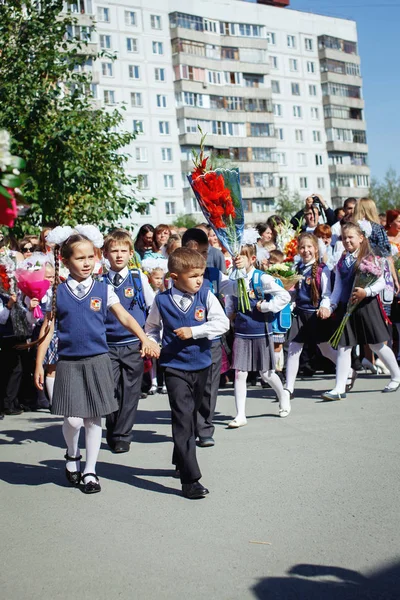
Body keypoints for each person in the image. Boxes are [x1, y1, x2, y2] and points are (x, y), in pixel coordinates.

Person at [34, 226, 159, 494]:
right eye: (80, 258)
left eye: (91, 257)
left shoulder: (103, 289)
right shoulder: (57, 292)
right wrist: (39, 364)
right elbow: (47, 330)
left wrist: (144, 338)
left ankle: (90, 471)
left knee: (93, 420)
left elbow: (125, 317)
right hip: (69, 363)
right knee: (73, 420)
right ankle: (71, 454)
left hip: (98, 360)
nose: (87, 263)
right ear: (66, 261)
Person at [145, 247, 229, 499]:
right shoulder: (161, 301)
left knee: (191, 417)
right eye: (193, 276)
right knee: (182, 418)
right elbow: (151, 327)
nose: (199, 280)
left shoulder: (206, 295)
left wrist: (196, 331)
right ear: (174, 276)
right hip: (174, 367)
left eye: (201, 275)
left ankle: (179, 457)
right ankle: (190, 479)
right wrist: (151, 343)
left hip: (201, 364)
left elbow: (222, 323)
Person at [321, 222, 400, 400]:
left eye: (351, 237)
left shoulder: (369, 257)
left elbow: (381, 282)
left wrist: (367, 292)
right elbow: (338, 287)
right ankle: (339, 388)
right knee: (344, 347)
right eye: (344, 237)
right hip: (348, 308)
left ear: (361, 238)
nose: (347, 241)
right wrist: (331, 305)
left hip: (366, 305)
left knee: (376, 344)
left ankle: (396, 376)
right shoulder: (343, 260)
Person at [181, 228, 244, 447]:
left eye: (206, 252)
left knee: (209, 388)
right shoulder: (177, 278)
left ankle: (205, 428)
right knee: (188, 390)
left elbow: (236, 288)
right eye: (199, 252)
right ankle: (187, 426)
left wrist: (240, 271)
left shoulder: (214, 275)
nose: (204, 257)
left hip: (212, 341)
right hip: (185, 343)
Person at [225, 243, 292, 427]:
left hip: (260, 329)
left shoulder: (261, 278)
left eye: (242, 256)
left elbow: (284, 296)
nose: (237, 259)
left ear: (252, 259)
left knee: (267, 373)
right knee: (240, 373)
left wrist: (267, 307)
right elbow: (230, 298)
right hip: (241, 330)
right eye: (236, 256)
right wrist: (229, 314)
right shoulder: (234, 278)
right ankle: (240, 415)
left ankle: (283, 395)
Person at [103, 229, 155, 453]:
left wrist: (149, 339)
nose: (118, 255)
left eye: (123, 251)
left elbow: (153, 309)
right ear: (105, 253)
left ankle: (123, 435)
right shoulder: (99, 281)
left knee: (131, 390)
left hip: (134, 343)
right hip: (108, 345)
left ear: (131, 253)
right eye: (113, 251)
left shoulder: (138, 278)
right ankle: (113, 426)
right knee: (110, 390)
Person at [284, 233, 339, 397]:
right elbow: (295, 293)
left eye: (309, 247)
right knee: (294, 348)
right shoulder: (297, 269)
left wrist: (325, 307)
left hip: (315, 315)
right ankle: (289, 388)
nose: (305, 250)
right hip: (300, 314)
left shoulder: (323, 269)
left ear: (315, 249)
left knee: (325, 349)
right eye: (302, 247)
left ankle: (348, 370)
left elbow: (328, 293)